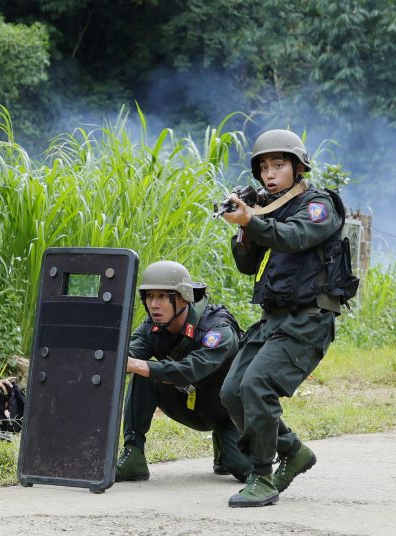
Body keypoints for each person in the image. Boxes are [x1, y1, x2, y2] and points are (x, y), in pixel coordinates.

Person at [219, 129, 344, 508]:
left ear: (297, 167)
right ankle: (293, 451)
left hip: (308, 319)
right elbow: (247, 265)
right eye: (264, 167)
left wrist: (253, 221)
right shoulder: (265, 208)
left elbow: (296, 236)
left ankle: (262, 475)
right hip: (272, 319)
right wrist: (243, 224)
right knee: (231, 392)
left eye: (279, 165)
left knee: (257, 386)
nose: (270, 174)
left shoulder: (318, 204)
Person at [116, 260, 252, 483]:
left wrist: (136, 365)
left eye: (162, 296)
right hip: (189, 404)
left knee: (245, 469)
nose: (154, 304)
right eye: (150, 296)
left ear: (182, 297)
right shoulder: (153, 327)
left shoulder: (216, 329)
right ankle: (133, 453)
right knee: (143, 373)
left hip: (227, 411)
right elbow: (127, 354)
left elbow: (190, 370)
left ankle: (228, 445)